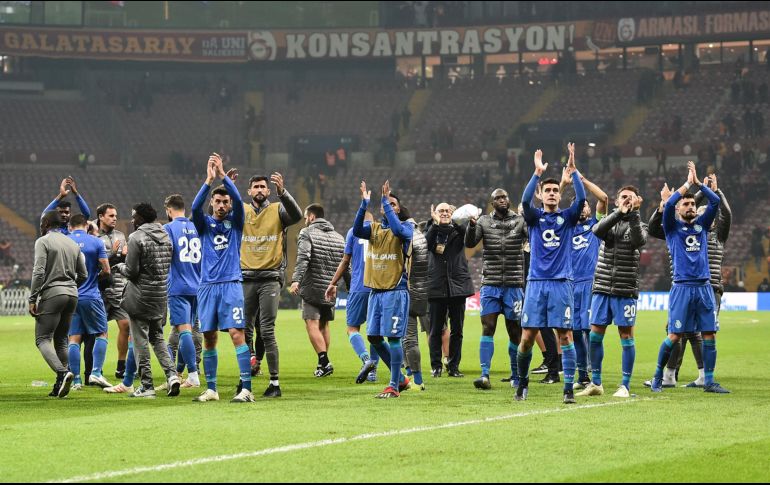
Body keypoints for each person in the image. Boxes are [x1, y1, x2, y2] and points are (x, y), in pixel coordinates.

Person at [649, 161, 729, 394]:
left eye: (693, 204)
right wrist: (687, 185)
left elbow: (714, 202)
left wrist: (700, 186)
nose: (691, 206)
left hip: (704, 287)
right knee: (674, 335)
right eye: (687, 204)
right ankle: (657, 376)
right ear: (678, 210)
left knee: (709, 334)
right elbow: (671, 202)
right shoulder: (671, 227)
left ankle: (710, 381)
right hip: (682, 288)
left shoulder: (703, 226)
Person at [517, 144, 586, 404]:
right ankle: (522, 383)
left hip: (561, 284)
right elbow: (523, 202)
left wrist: (574, 172)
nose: (553, 193)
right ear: (541, 194)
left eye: (556, 190)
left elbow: (581, 200)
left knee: (565, 336)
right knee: (527, 338)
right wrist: (536, 173)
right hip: (536, 284)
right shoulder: (534, 218)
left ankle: (568, 389)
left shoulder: (567, 218)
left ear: (559, 195)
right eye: (547, 190)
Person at [192, 154, 254, 402]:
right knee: (209, 337)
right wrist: (208, 181)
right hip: (206, 286)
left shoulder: (237, 222)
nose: (221, 205)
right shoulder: (204, 224)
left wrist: (224, 176)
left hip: (230, 285)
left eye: (224, 202)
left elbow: (239, 199)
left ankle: (247, 389)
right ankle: (212, 389)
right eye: (217, 202)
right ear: (213, 203)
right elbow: (195, 207)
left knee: (237, 333)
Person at [577, 186, 647, 399]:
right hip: (602, 287)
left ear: (637, 202)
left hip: (625, 289)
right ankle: (596, 383)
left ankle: (625, 385)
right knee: (596, 335)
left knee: (626, 336)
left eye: (630, 198)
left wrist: (633, 214)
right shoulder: (609, 222)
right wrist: (619, 213)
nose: (626, 200)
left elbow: (638, 241)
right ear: (616, 202)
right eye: (623, 197)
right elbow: (596, 232)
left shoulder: (639, 224)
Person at [240, 172, 302, 398]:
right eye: (255, 186)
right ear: (249, 192)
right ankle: (244, 380)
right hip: (246, 277)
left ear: (268, 191)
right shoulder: (242, 211)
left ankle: (274, 383)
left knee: (266, 330)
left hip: (270, 278)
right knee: (244, 331)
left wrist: (283, 193)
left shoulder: (278, 209)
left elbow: (297, 215)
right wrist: (225, 185)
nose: (259, 190)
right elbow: (215, 212)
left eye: (262, 187)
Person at [112, 203, 179, 399]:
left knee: (140, 340)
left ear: (142, 218)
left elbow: (132, 271)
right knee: (157, 338)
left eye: (134, 217)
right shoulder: (166, 236)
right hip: (160, 295)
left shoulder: (136, 237)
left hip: (140, 296)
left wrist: (118, 267)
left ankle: (147, 385)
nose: (132, 220)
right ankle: (172, 376)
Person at [353, 181, 413, 398]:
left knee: (394, 338)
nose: (389, 206)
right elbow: (357, 229)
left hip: (395, 291)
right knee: (374, 337)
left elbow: (396, 229)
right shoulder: (374, 229)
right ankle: (402, 379)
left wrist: (385, 201)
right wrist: (363, 205)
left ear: (398, 209)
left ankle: (394, 386)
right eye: (387, 204)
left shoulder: (407, 228)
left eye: (393, 204)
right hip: (376, 292)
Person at [465, 189, 527, 389]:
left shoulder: (519, 221)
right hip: (490, 283)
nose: (502, 200)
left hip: (514, 284)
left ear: (508, 200)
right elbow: (470, 242)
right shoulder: (483, 221)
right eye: (498, 198)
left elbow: (533, 237)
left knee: (514, 331)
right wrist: (470, 226)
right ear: (492, 202)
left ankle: (516, 375)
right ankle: (485, 375)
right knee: (487, 327)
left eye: (505, 197)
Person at [29, 211, 87, 398]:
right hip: (72, 294)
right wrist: (70, 286)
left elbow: (38, 271)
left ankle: (62, 373)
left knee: (42, 339)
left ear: (46, 223)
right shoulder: (72, 243)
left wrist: (33, 298)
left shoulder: (43, 241)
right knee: (62, 339)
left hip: (53, 293)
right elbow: (84, 274)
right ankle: (59, 384)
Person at [561, 171, 608, 390]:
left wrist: (580, 179)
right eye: (580, 205)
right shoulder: (567, 228)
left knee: (591, 330)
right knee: (576, 332)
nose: (584, 208)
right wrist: (562, 185)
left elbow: (604, 199)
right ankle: (582, 375)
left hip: (591, 283)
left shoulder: (596, 228)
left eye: (586, 205)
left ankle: (594, 374)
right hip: (570, 285)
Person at [289, 204, 345, 377]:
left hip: (312, 287)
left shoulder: (307, 233)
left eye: (306, 218)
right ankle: (322, 365)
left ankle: (324, 361)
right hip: (331, 288)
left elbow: (303, 258)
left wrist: (296, 280)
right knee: (324, 324)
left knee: (311, 322)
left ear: (311, 217)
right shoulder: (338, 237)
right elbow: (345, 264)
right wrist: (347, 285)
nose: (305, 221)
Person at [326, 212, 380, 383]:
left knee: (352, 328)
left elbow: (345, 261)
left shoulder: (352, 232)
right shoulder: (381, 231)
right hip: (378, 287)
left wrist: (333, 283)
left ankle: (366, 360)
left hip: (358, 287)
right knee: (375, 332)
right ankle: (373, 372)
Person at [424, 203, 474, 380]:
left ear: (452, 213)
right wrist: (436, 224)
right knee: (435, 329)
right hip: (437, 286)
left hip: (457, 287)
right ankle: (436, 366)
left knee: (457, 330)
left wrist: (464, 222)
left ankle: (453, 366)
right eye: (441, 211)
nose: (444, 213)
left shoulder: (459, 230)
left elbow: (470, 241)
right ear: (435, 214)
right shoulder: (430, 228)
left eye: (447, 211)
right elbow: (426, 245)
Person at [66, 214, 113, 390]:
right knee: (102, 333)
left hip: (70, 296)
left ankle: (76, 380)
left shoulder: (65, 241)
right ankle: (96, 372)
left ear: (70, 227)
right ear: (86, 225)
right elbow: (106, 270)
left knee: (74, 338)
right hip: (91, 295)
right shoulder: (96, 242)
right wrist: (94, 276)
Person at [162, 194, 202, 389]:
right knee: (191, 330)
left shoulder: (168, 228)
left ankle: (193, 375)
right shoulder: (196, 226)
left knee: (183, 330)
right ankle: (183, 371)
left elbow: (163, 256)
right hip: (198, 285)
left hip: (178, 286)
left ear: (169, 210)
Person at [93, 203, 131, 381]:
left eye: (115, 215)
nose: (115, 218)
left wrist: (124, 255)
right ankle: (94, 370)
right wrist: (114, 254)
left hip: (119, 288)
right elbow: (92, 262)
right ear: (101, 217)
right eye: (110, 216)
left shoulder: (120, 235)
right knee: (98, 331)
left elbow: (124, 259)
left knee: (126, 325)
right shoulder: (92, 234)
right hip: (99, 289)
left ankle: (121, 366)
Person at [403, 211, 428, 390]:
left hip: (407, 291)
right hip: (421, 291)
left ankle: (417, 380)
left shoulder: (406, 237)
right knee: (409, 338)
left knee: (408, 338)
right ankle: (410, 372)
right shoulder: (420, 235)